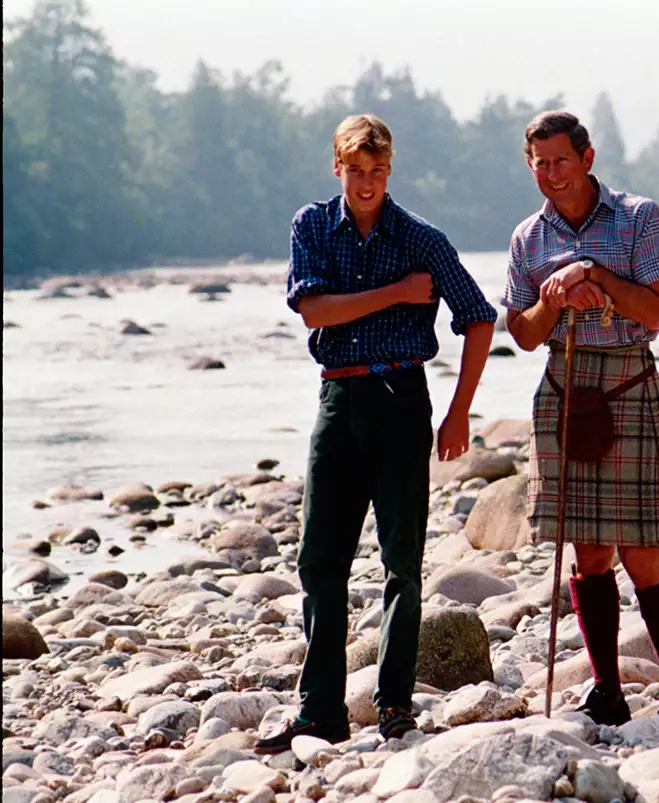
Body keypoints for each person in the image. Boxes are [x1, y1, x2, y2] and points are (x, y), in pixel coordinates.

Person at [255, 114, 497, 753]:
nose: (367, 183)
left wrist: (459, 410)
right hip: (338, 399)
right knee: (319, 561)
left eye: (379, 171)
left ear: (391, 170)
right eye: (356, 171)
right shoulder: (312, 225)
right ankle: (320, 712)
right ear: (337, 166)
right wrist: (399, 293)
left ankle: (394, 706)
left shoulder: (422, 237)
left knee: (402, 562)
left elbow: (479, 318)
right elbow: (314, 310)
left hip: (401, 401)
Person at [502, 110, 659, 725]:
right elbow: (523, 334)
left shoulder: (640, 217)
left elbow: (654, 313)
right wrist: (555, 296)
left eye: (561, 160)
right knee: (589, 553)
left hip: (628, 379)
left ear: (587, 159)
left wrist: (593, 273)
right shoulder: (527, 238)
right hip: (564, 388)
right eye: (540, 163)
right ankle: (606, 689)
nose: (552, 173)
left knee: (640, 551)